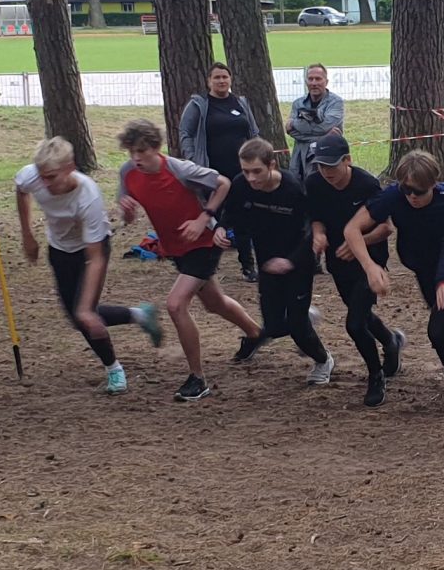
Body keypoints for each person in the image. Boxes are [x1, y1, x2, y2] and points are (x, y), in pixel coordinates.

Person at [116, 118, 261, 402]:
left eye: (142, 152)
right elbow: (127, 215)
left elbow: (223, 183)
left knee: (175, 304)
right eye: (131, 152)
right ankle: (256, 334)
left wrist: (203, 217)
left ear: (155, 149)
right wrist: (127, 211)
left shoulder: (179, 169)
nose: (136, 158)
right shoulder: (128, 173)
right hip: (176, 247)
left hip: (203, 242)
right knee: (214, 302)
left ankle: (198, 379)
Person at [346, 149, 444, 416]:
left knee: (439, 331)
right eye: (407, 190)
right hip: (423, 269)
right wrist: (370, 267)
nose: (412, 197)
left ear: (434, 184)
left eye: (419, 191)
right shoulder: (394, 196)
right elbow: (352, 229)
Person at [15, 136, 162, 395]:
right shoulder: (32, 175)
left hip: (91, 249)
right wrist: (27, 234)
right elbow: (21, 190)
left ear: (70, 167)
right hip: (60, 248)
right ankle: (140, 315)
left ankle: (114, 369)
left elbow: (95, 257)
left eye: (51, 177)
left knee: (85, 315)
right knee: (76, 317)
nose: (44, 183)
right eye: (41, 176)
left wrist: (86, 309)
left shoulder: (88, 195)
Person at [217, 137, 335, 386]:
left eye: (257, 171)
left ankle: (323, 360)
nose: (251, 178)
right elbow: (232, 212)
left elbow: (310, 232)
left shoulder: (293, 189)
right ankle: (305, 318)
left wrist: (291, 261)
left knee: (296, 325)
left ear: (272, 164)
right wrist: (220, 228)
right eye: (245, 171)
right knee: (273, 325)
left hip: (299, 262)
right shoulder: (241, 185)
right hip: (268, 262)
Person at [301, 132, 404, 406]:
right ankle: (390, 339)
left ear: (348, 160)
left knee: (355, 323)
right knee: (361, 313)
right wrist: (319, 233)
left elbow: (386, 228)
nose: (326, 172)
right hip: (338, 261)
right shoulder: (314, 183)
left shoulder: (367, 184)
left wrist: (360, 241)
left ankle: (375, 375)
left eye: (331, 165)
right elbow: (317, 218)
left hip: (370, 262)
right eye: (321, 166)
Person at [179, 62, 261, 279]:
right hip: (212, 172)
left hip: (242, 172)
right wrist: (192, 161)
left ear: (231, 79)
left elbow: (253, 132)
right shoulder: (199, 105)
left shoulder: (241, 103)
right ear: (209, 81)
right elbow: (185, 133)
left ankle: (248, 266)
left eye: (225, 77)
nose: (221, 81)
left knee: (242, 217)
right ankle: (207, 266)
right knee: (213, 218)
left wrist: (258, 157)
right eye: (216, 77)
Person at [286, 63, 344, 179]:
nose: (314, 83)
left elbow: (324, 127)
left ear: (326, 82)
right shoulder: (298, 103)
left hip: (325, 157)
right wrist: (324, 136)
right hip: (299, 158)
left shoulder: (336, 103)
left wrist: (295, 124)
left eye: (318, 79)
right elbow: (291, 132)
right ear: (306, 81)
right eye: (310, 79)